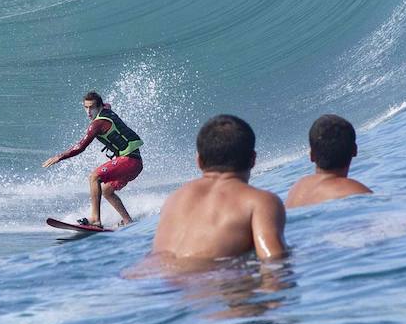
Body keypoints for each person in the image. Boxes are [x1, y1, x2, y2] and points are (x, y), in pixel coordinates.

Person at [149, 114, 287, 262]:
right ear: (253, 159)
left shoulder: (174, 199)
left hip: (147, 277)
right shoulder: (260, 202)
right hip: (211, 278)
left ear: (199, 161)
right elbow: (273, 261)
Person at [285, 113, 406, 209]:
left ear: (311, 155)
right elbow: (397, 215)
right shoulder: (352, 191)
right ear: (355, 151)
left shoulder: (296, 190)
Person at [42, 91, 144, 228]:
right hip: (135, 163)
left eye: (92, 107)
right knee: (107, 191)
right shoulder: (106, 110)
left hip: (129, 161)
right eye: (86, 107)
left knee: (94, 177)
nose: (89, 111)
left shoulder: (97, 124)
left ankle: (95, 219)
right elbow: (108, 105)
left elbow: (80, 147)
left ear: (99, 107)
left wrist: (59, 156)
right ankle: (127, 221)